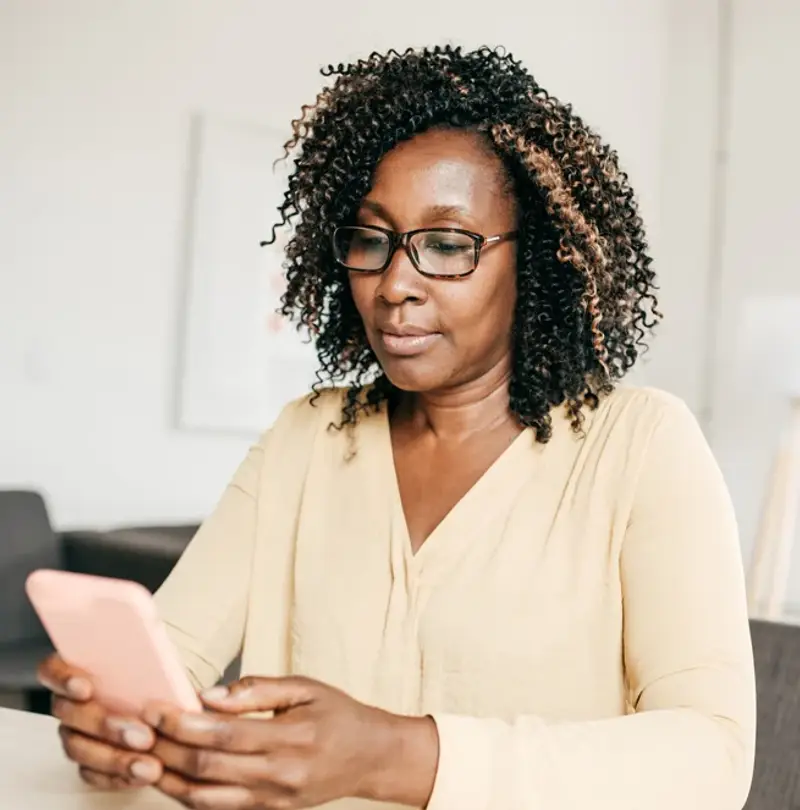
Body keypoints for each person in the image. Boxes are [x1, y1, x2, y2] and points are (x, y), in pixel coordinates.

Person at [38, 45, 756, 810]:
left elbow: (711, 756)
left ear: (539, 259)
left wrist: (394, 753)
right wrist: (116, 720)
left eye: (447, 245)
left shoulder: (641, 446)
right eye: (373, 241)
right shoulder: (307, 440)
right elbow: (172, 653)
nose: (395, 285)